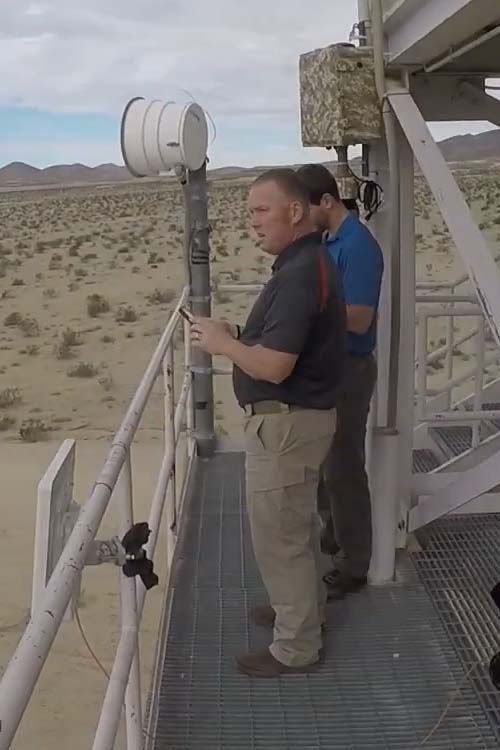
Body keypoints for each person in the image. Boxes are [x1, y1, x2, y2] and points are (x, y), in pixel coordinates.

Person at [190, 168, 346, 677]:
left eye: (261, 210)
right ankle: (299, 613)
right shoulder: (302, 264)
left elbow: (276, 366)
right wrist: (234, 331)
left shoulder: (300, 273)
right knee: (294, 531)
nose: (252, 222)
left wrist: (222, 345)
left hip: (287, 427)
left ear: (295, 211)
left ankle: (295, 647)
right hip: (298, 423)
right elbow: (281, 340)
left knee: (281, 541)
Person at [296, 163, 384, 601]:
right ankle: (334, 539)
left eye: (302, 209)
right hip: (328, 367)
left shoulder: (359, 247)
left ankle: (355, 563)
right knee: (325, 464)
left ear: (326, 202)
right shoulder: (328, 242)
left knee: (345, 468)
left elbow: (359, 317)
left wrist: (306, 312)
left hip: (350, 370)